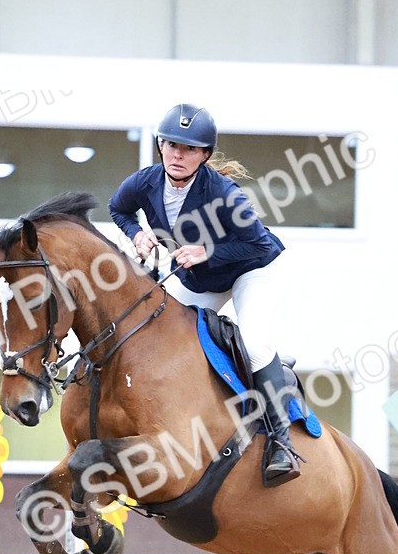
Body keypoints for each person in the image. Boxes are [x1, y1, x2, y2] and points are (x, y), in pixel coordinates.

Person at [109, 103, 300, 486]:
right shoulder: (144, 183)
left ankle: (281, 442)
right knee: (161, 335)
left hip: (250, 270)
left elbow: (260, 245)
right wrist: (137, 234)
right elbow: (119, 209)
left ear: (205, 155)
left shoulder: (225, 194)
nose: (178, 155)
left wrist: (206, 251)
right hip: (201, 279)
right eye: (172, 145)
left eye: (190, 149)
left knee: (254, 345)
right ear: (160, 145)